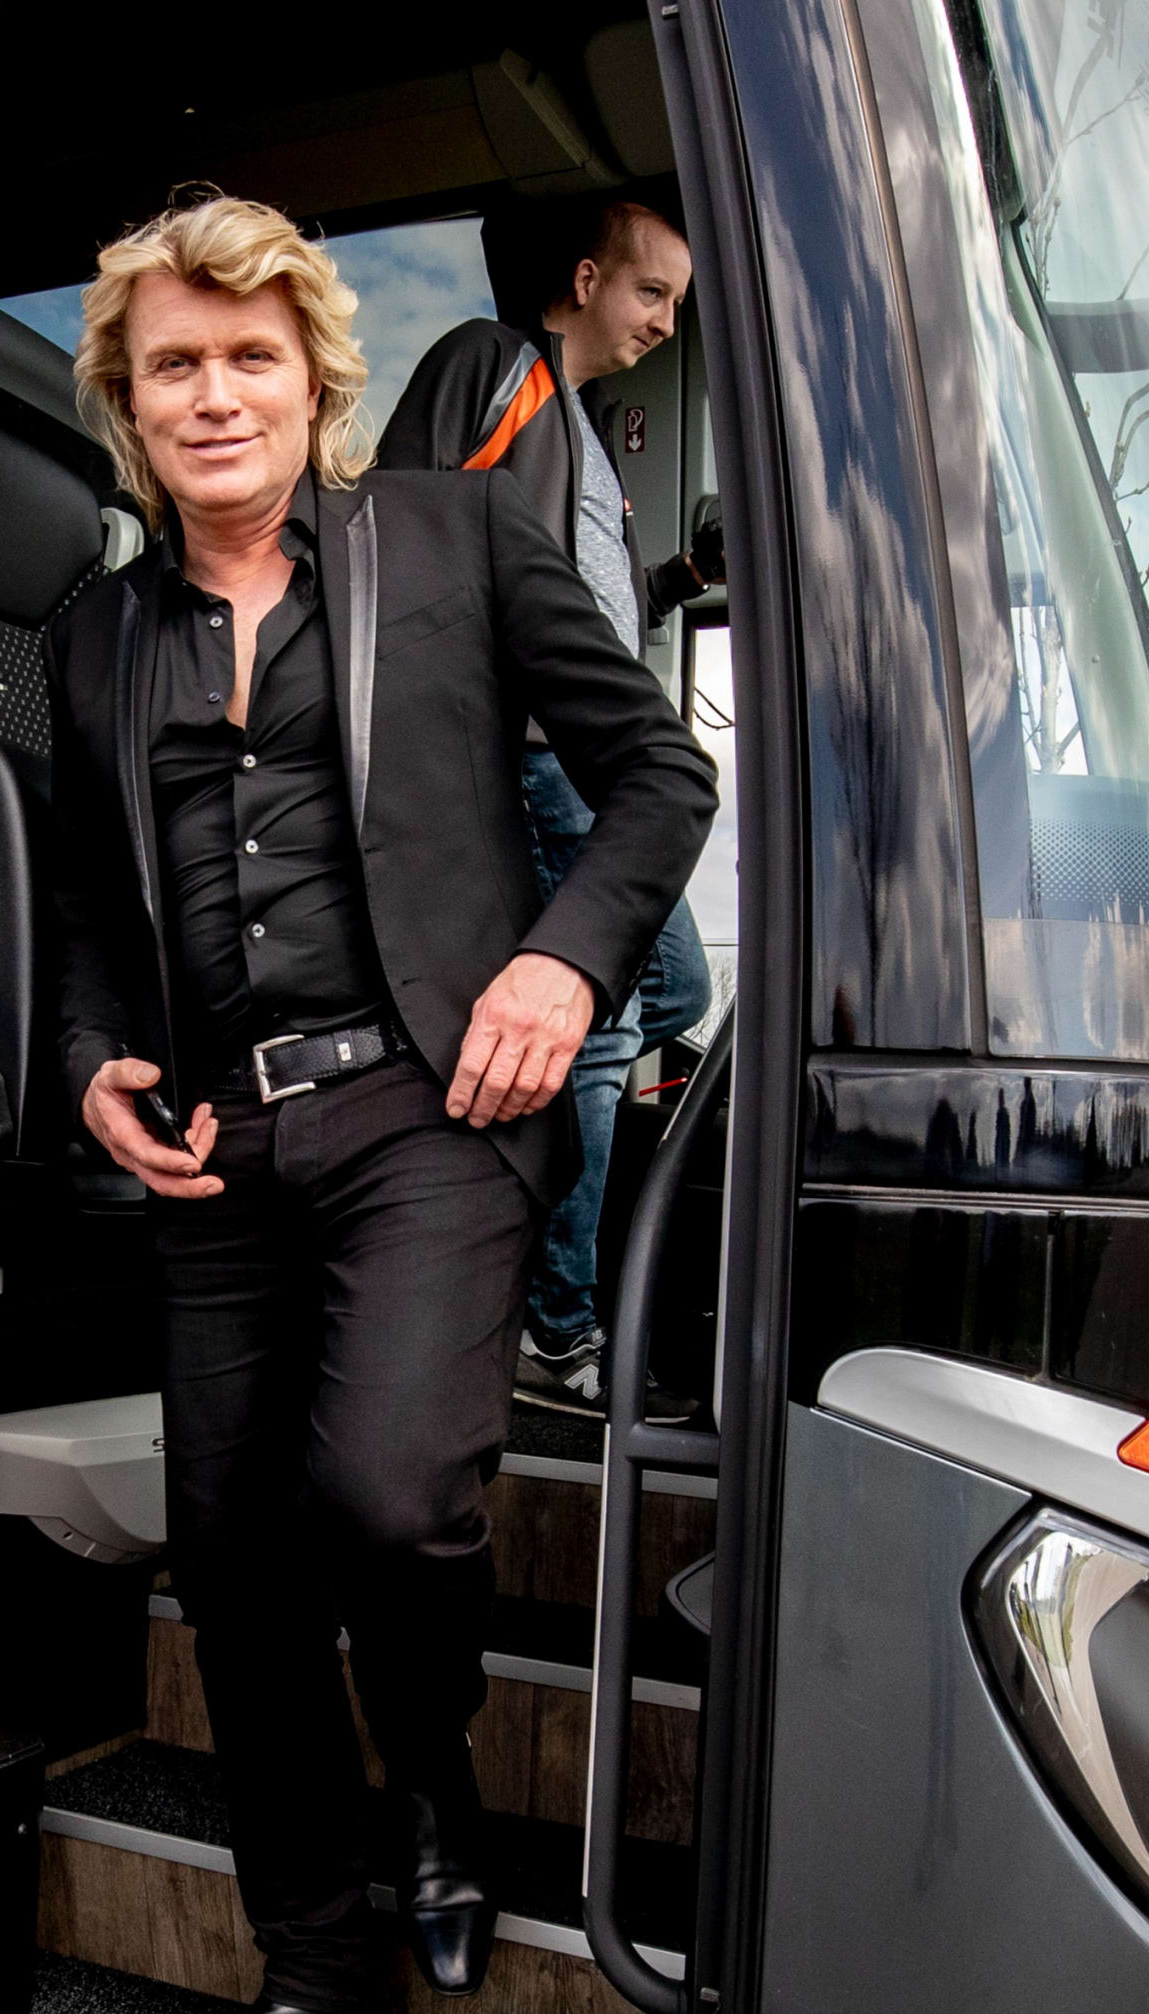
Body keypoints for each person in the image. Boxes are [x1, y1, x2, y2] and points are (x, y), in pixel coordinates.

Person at [42, 195, 711, 2014]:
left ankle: (433, 1780)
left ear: (319, 380)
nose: (216, 391)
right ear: (130, 402)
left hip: (436, 1113)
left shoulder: (457, 540)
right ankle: (311, 1991)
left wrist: (559, 958)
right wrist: (92, 1065)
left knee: (389, 1496)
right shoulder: (96, 638)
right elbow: (91, 907)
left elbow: (664, 776)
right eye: (177, 362)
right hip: (217, 1151)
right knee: (235, 1573)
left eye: (252, 356)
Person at [378, 198, 720, 1414]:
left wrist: (677, 580)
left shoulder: (583, 435)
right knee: (610, 1023)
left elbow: (584, 619)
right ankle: (553, 1330)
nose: (665, 322)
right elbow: (403, 538)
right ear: (584, 278)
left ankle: (532, 1257)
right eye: (651, 293)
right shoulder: (492, 366)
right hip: (530, 752)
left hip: (596, 763)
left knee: (675, 986)